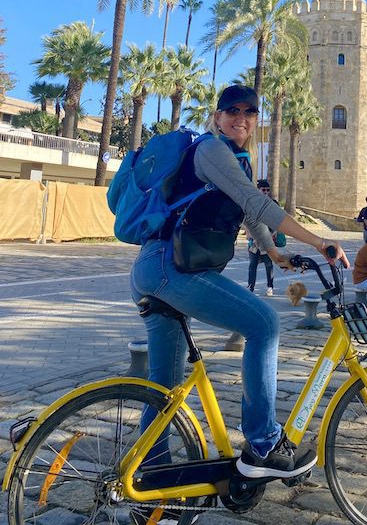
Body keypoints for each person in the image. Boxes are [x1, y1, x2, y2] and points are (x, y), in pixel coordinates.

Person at [130, 85, 350, 480]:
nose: (241, 118)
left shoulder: (233, 161)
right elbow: (256, 203)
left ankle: (148, 480)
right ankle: (264, 444)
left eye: (249, 112)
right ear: (217, 117)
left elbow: (248, 215)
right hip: (170, 269)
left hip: (155, 269)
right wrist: (319, 241)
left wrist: (274, 253)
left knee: (164, 389)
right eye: (232, 111)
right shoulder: (211, 150)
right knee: (264, 323)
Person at [247, 180, 277, 296]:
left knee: (269, 265)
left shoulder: (273, 204)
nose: (266, 192)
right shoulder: (252, 203)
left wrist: (269, 236)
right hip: (254, 241)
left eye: (267, 190)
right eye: (263, 189)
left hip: (268, 240)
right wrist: (250, 235)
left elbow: (277, 223)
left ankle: (270, 286)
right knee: (252, 264)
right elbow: (247, 221)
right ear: (258, 190)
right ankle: (250, 287)